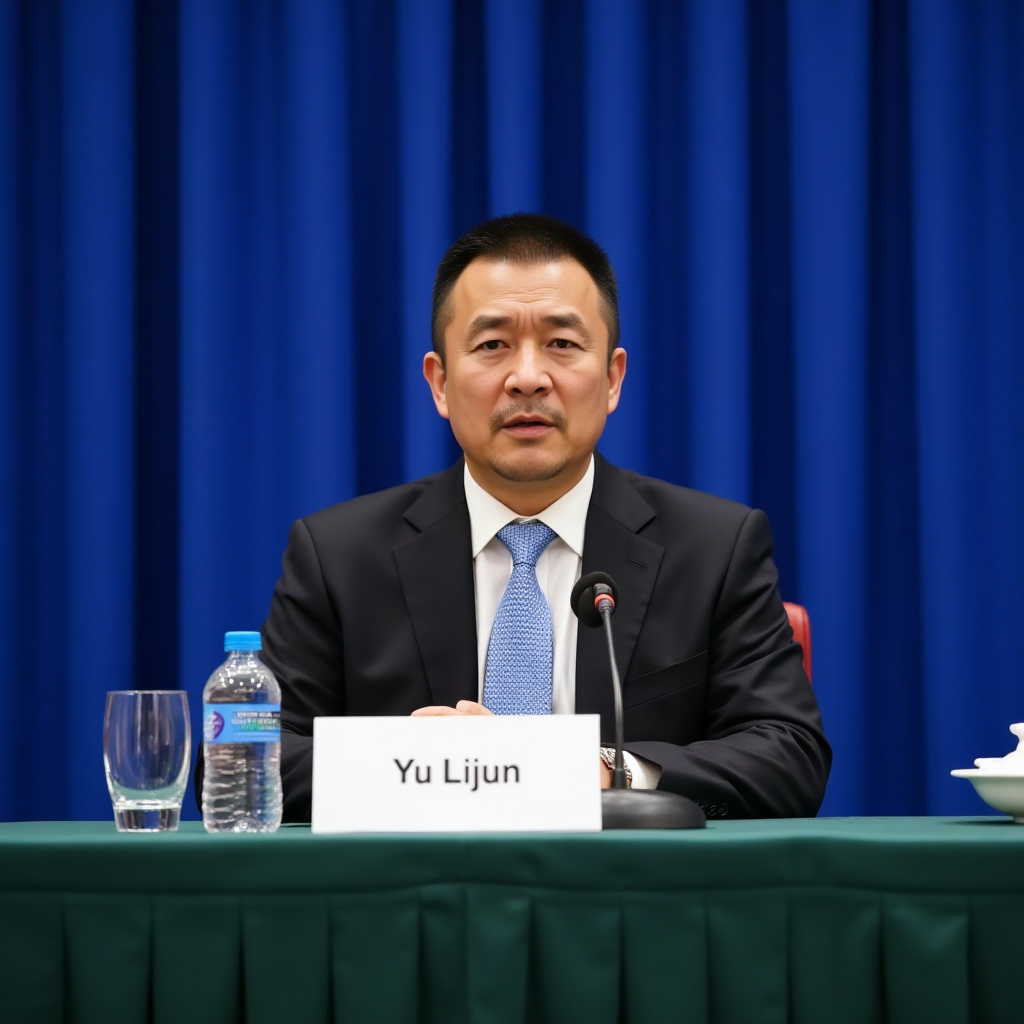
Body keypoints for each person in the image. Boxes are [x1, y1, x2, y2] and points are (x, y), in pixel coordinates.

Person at [255, 213, 830, 822]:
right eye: (492, 345)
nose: (528, 378)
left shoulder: (715, 547)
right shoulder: (337, 556)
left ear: (612, 378)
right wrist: (418, 765)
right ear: (440, 383)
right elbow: (248, 756)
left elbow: (789, 754)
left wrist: (605, 770)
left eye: (562, 344)